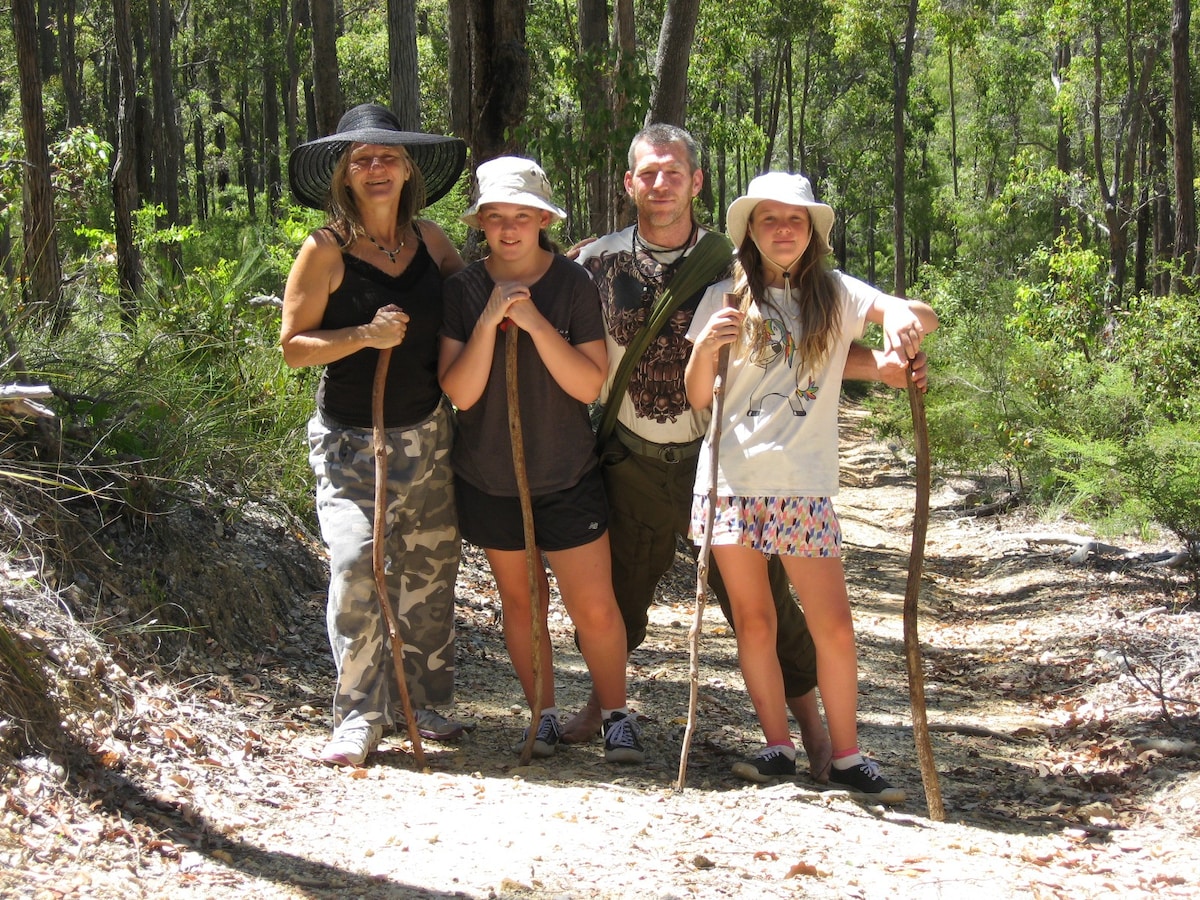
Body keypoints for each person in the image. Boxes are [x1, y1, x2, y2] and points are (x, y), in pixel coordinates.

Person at [566, 124, 925, 781]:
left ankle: (821, 739)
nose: (661, 183)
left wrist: (890, 345)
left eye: (675, 172)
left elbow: (812, 350)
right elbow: (557, 314)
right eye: (648, 172)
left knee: (775, 612)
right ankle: (606, 708)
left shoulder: (723, 266)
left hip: (724, 452)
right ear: (629, 182)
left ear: (697, 182)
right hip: (640, 456)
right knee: (621, 592)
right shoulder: (597, 262)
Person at [685, 171, 938, 800]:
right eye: (769, 220)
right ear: (749, 230)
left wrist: (902, 321)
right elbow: (696, 399)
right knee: (754, 619)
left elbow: (916, 314)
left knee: (834, 624)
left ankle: (848, 754)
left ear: (812, 231)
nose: (782, 230)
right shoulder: (724, 298)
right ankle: (777, 746)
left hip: (803, 485)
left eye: (794, 220)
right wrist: (703, 350)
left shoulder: (835, 293)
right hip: (731, 480)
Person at [281, 104, 471, 767]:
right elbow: (293, 347)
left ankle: (424, 702)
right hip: (348, 444)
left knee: (428, 571)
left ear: (408, 167)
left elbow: (469, 302)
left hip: (427, 436)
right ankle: (359, 714)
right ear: (344, 174)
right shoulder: (324, 250)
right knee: (357, 563)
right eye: (361, 159)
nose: (376, 167)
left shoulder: (432, 242)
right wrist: (363, 335)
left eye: (387, 156)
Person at [438, 156, 644, 764]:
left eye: (522, 217)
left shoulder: (572, 286)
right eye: (496, 217)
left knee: (594, 605)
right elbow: (461, 392)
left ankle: (615, 716)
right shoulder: (463, 289)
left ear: (542, 220)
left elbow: (588, 384)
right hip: (489, 476)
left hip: (566, 473)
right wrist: (490, 321)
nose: (508, 230)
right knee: (523, 603)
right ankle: (544, 715)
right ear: (480, 223)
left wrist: (531, 320)